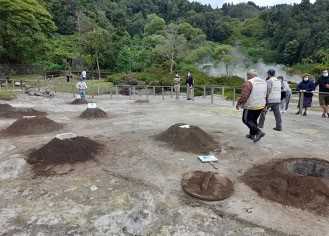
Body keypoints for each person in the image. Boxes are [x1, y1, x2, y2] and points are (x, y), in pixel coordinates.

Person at [236, 69, 267, 143]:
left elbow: (244, 96)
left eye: (247, 75)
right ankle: (252, 135)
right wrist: (265, 105)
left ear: (250, 75)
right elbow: (266, 94)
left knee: (246, 120)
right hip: (261, 105)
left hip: (251, 105)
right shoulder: (264, 82)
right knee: (253, 120)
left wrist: (239, 103)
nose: (247, 77)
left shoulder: (249, 83)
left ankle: (259, 132)